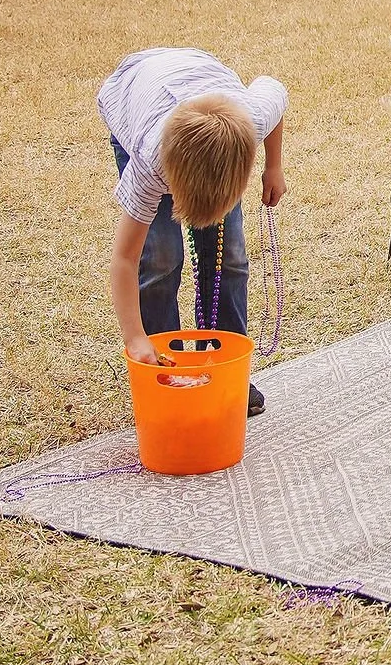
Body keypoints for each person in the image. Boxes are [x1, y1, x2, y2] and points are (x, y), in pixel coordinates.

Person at [99, 46, 286, 415]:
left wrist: (273, 166)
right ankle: (164, 370)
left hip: (201, 81)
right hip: (135, 95)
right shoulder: (149, 164)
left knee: (229, 254)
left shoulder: (251, 121)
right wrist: (134, 338)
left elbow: (274, 87)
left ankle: (224, 367)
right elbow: (124, 258)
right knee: (161, 259)